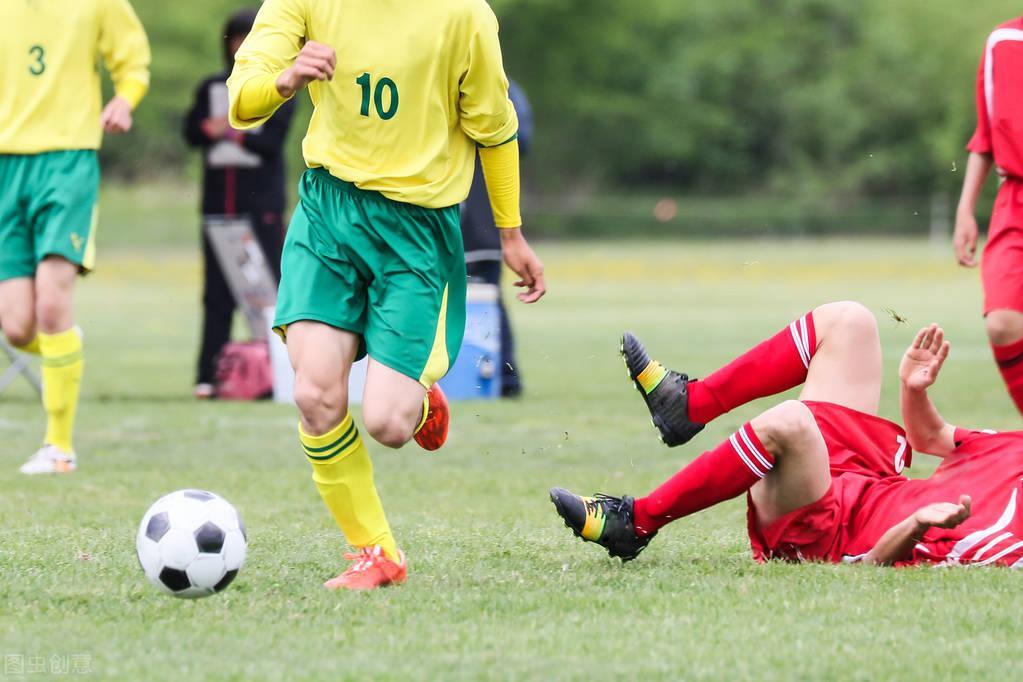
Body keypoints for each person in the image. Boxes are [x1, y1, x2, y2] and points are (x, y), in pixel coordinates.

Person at [227, 0, 546, 590]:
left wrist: (510, 233)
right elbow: (241, 101)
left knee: (388, 423)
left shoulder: (464, 15)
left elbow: (494, 129)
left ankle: (421, 403)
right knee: (316, 394)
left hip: (416, 232)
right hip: (329, 216)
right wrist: (286, 78)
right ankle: (375, 554)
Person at [551, 303, 1023, 568]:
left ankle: (635, 523)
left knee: (791, 422)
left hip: (832, 529)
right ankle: (689, 406)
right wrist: (912, 388)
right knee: (849, 322)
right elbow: (932, 437)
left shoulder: (1011, 538)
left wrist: (916, 524)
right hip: (871, 474)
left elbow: (876, 564)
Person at [0, 0, 150, 474]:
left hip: (67, 160)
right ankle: (64, 344)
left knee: (50, 301)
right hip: (6, 165)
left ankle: (59, 449)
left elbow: (132, 60)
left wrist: (125, 98)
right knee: (16, 326)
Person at [183, 8, 297, 398]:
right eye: (235, 37)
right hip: (218, 208)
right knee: (216, 294)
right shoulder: (212, 88)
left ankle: (277, 372)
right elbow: (191, 131)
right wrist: (208, 128)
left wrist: (232, 133)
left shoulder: (283, 84)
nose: (241, 45)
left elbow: (271, 143)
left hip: (260, 208)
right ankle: (208, 373)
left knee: (267, 292)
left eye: (250, 37)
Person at [954, 17, 1023, 415]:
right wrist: (966, 208)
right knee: (1003, 322)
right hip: (1014, 200)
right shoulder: (1003, 41)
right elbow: (986, 136)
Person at [461, 79, 534, 397]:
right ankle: (499, 376)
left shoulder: (496, 87)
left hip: (479, 219)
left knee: (487, 297)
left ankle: (504, 378)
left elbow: (521, 140)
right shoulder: (508, 88)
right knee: (488, 300)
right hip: (485, 220)